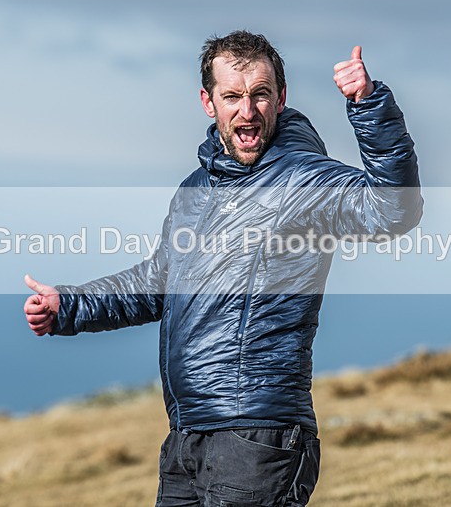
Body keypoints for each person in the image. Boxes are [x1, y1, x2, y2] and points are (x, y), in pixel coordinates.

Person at [23, 30, 422, 507]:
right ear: (208, 102)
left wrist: (368, 105)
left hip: (257, 439)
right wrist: (68, 305)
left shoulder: (303, 178)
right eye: (232, 96)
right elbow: (160, 284)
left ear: (281, 98)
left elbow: (393, 211)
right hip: (187, 437)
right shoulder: (196, 189)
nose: (247, 112)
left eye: (260, 95)